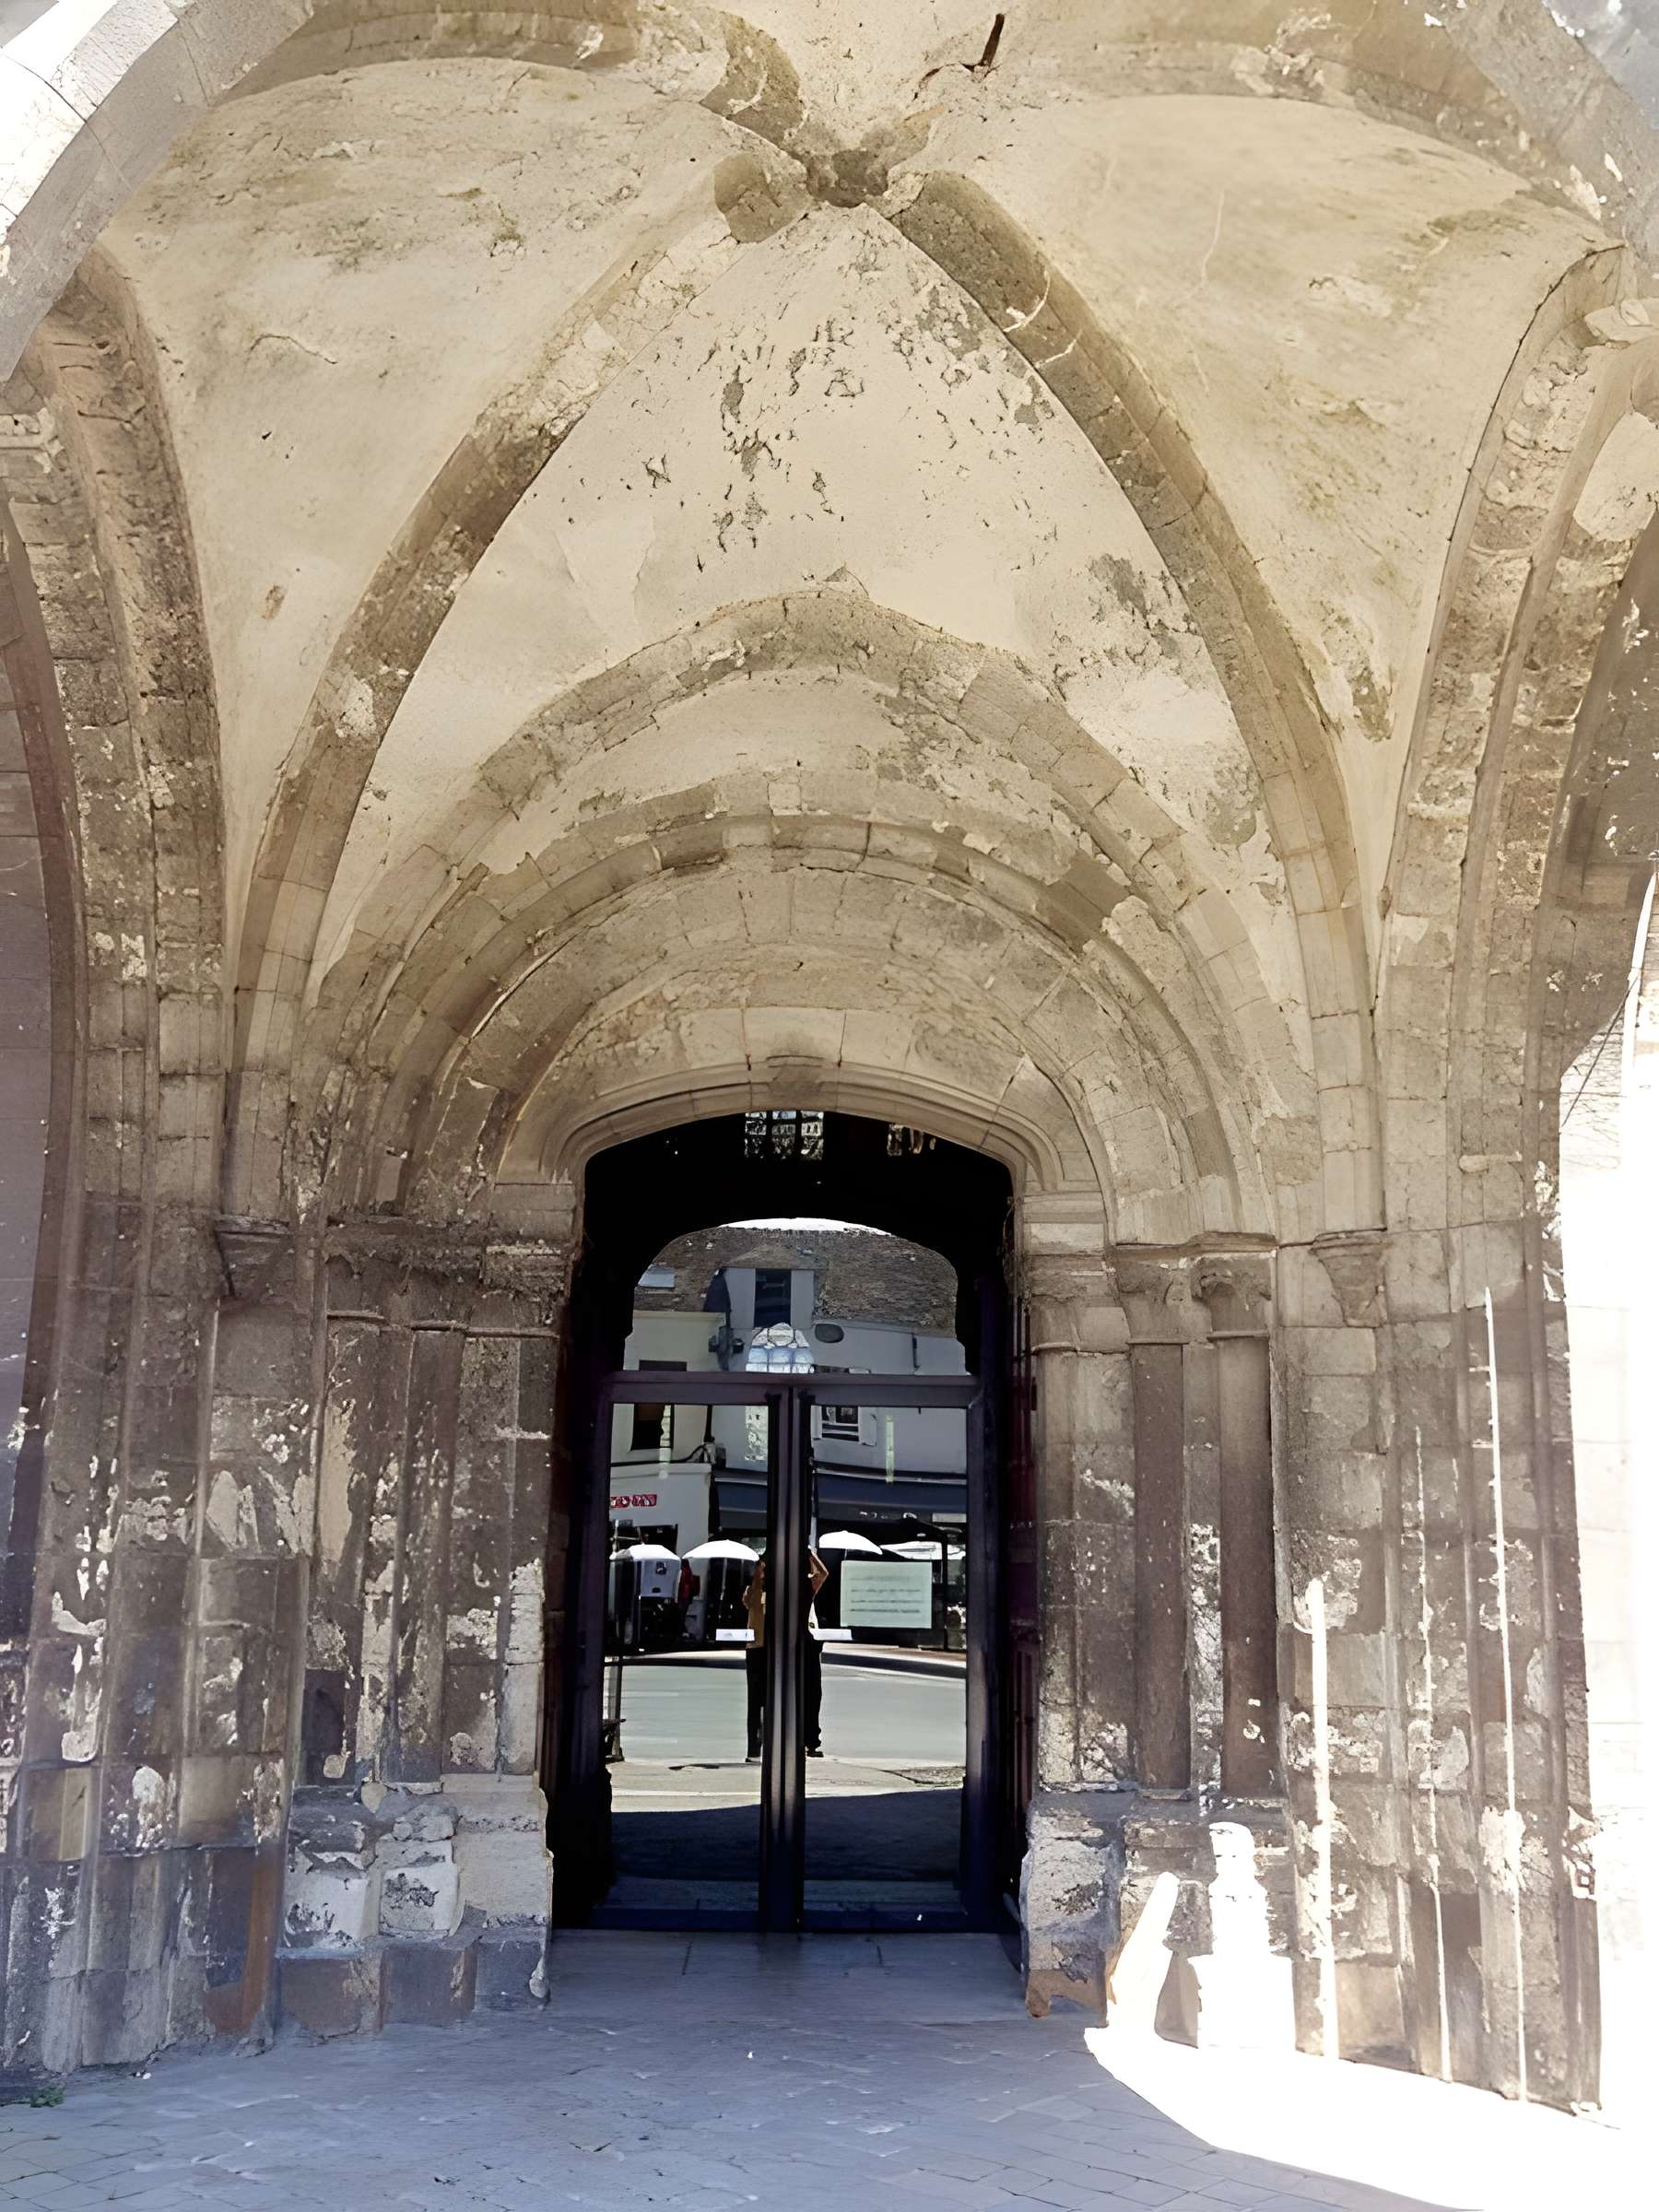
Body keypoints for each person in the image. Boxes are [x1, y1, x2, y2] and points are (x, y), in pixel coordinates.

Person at [741, 1549, 829, 1762]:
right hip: (760, 1647)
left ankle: (802, 1740)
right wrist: (759, 1570)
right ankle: (757, 1746)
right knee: (759, 1700)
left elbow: (822, 1574)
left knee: (804, 1694)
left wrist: (809, 1555)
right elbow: (750, 1599)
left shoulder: (797, 1587)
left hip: (790, 1645)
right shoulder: (756, 1591)